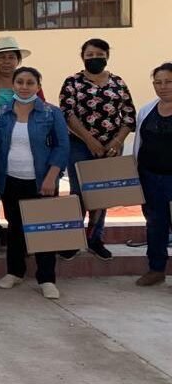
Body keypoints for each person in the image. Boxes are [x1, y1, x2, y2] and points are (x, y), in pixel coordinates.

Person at [0, 67, 69, 299]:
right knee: (15, 228)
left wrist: (52, 176)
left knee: (43, 230)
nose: (24, 86)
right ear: (13, 85)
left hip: (42, 182)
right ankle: (15, 272)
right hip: (10, 180)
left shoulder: (51, 113)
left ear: (38, 87)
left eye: (30, 82)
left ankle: (47, 279)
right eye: (19, 82)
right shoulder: (2, 113)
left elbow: (62, 147)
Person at [59, 38, 136, 261]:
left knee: (102, 195)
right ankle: (72, 240)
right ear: (82, 57)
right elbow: (67, 113)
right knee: (79, 194)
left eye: (99, 54)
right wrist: (89, 140)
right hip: (80, 146)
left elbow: (129, 116)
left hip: (111, 148)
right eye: (89, 55)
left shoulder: (118, 83)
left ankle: (95, 238)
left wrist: (117, 142)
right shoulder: (72, 82)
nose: (94, 58)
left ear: (107, 56)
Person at [0, 37, 40, 256]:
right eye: (2, 57)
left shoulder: (27, 80)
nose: (6, 61)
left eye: (11, 57)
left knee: (19, 189)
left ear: (18, 60)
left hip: (23, 145)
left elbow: (40, 109)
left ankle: (23, 235)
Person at [134, 63, 172, 287]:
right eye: (158, 82)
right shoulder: (146, 110)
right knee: (155, 223)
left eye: (168, 81)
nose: (163, 86)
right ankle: (156, 269)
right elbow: (139, 144)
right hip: (150, 176)